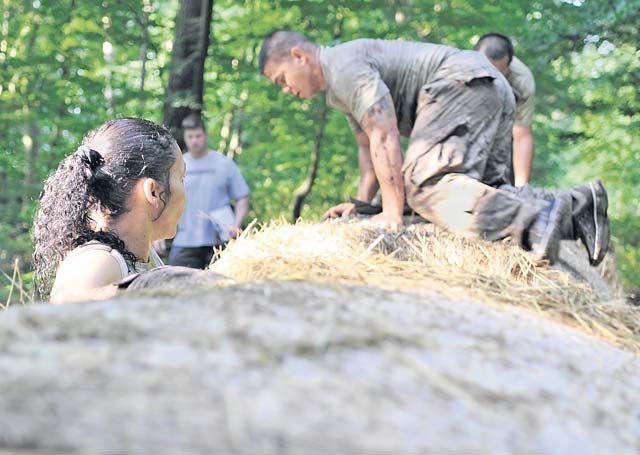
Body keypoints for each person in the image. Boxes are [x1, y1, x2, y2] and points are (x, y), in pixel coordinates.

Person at [258, 31, 610, 265]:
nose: (286, 90)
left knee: (422, 185)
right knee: (478, 193)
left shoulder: (342, 65)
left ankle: (538, 218)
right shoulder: (339, 91)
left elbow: (384, 132)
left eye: (281, 80)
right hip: (487, 87)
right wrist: (362, 208)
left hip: (462, 84)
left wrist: (393, 213)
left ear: (298, 56)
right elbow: (370, 156)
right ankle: (580, 208)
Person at [33, 118, 186, 304]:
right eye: (182, 177)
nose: (186, 189)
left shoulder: (142, 255)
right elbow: (65, 304)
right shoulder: (99, 259)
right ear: (153, 192)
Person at [165, 114, 250, 269]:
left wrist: (236, 225)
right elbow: (165, 201)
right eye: (190, 136)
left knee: (222, 289)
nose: (194, 141)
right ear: (185, 137)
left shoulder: (224, 164)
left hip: (220, 243)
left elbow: (242, 197)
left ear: (206, 135)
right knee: (179, 288)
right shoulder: (177, 165)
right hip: (185, 242)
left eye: (198, 136)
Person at [475, 33, 535, 187]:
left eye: (499, 72)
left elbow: (522, 135)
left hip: (498, 133)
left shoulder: (522, 81)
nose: (492, 77)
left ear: (509, 64)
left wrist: (522, 187)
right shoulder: (456, 68)